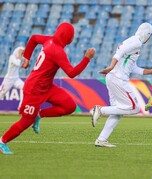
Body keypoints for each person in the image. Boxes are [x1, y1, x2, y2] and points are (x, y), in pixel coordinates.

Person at [0, 22, 96, 154]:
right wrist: (87, 58)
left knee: (69, 106)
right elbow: (72, 73)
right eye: (72, 36)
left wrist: (27, 58)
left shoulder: (49, 40)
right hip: (34, 89)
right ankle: (2, 141)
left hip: (47, 86)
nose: (73, 38)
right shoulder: (58, 52)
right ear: (67, 37)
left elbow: (33, 38)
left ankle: (39, 114)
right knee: (26, 121)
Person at [91, 22, 152, 147]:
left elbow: (133, 67)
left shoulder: (132, 41)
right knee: (135, 108)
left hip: (113, 78)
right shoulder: (137, 43)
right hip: (119, 79)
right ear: (147, 34)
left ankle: (101, 139)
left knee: (118, 111)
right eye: (150, 35)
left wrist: (151, 71)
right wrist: (111, 66)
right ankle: (100, 110)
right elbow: (120, 52)